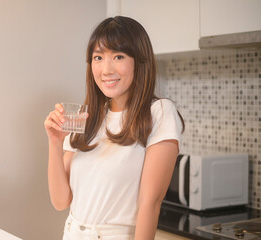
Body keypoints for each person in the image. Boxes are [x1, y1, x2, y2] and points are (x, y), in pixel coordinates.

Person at [44, 16, 184, 240]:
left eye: (118, 56)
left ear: (139, 60)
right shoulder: (86, 118)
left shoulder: (159, 113)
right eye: (98, 57)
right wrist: (55, 142)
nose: (106, 69)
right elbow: (60, 201)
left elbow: (151, 203)